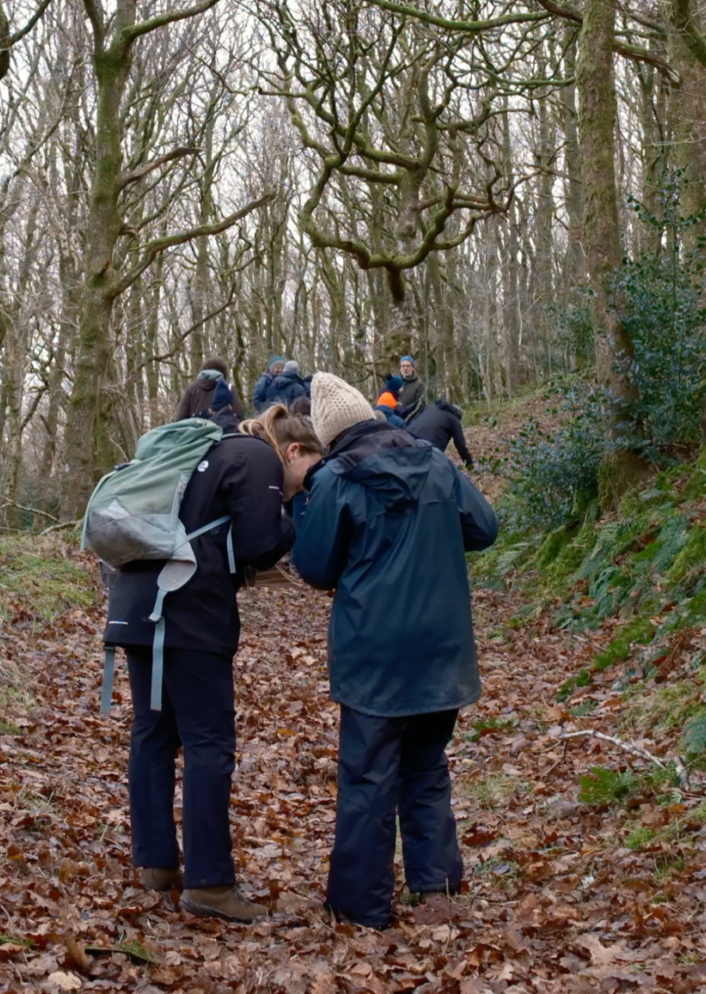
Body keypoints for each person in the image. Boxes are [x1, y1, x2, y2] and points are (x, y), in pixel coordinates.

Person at [291, 373, 499, 930]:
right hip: (441, 648)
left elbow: (313, 566)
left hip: (374, 653)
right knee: (426, 768)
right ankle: (436, 892)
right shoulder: (434, 463)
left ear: (330, 434)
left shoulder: (336, 478)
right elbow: (484, 527)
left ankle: (361, 908)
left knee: (367, 776)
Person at [102, 387, 295, 922]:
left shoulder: (189, 454)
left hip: (136, 603)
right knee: (210, 743)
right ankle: (210, 883)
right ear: (293, 449)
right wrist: (289, 519)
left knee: (153, 730)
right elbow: (259, 542)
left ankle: (156, 864)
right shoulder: (256, 456)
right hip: (188, 611)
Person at [405, 398, 473, 469]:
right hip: (427, 446)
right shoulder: (454, 419)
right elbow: (460, 444)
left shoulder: (429, 407)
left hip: (407, 436)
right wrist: (469, 464)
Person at [176, 363, 240, 429]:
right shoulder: (229, 388)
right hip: (222, 434)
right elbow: (239, 416)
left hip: (196, 434)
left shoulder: (191, 389)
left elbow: (180, 419)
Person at [394, 356, 424, 420]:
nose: (405, 368)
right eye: (403, 366)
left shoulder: (419, 384)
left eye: (408, 366)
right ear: (400, 368)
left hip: (411, 419)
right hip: (395, 419)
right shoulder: (395, 382)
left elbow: (420, 405)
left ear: (412, 367)